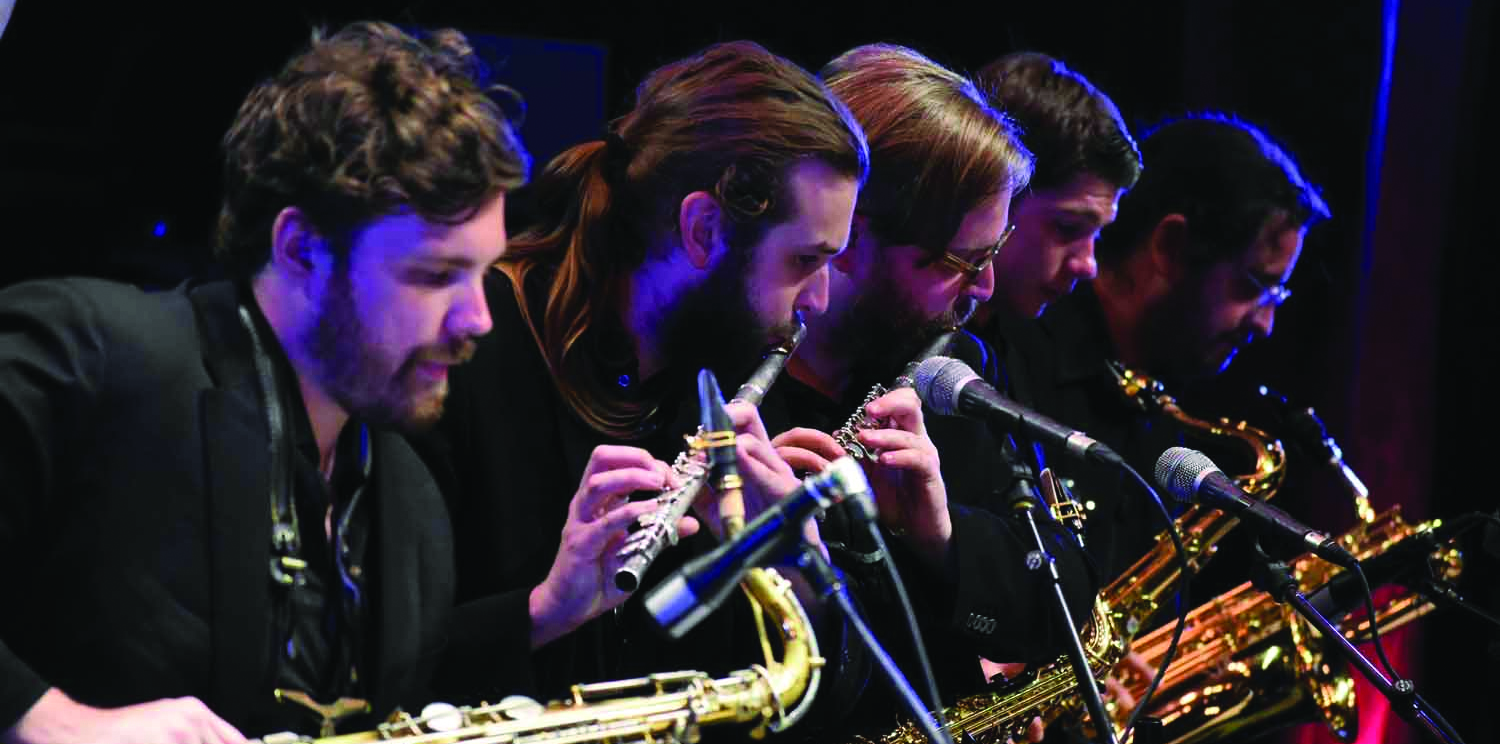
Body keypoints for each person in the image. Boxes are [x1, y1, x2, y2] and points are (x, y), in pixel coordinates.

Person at [0, 21, 532, 743]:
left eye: (483, 273)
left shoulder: (412, 509)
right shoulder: (89, 356)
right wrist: (44, 720)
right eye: (437, 274)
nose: (479, 319)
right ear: (301, 248)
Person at [419, 40, 870, 703]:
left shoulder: (720, 380)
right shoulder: (468, 356)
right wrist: (544, 611)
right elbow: (369, 668)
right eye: (805, 260)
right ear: (704, 228)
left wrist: (797, 563)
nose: (820, 300)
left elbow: (809, 700)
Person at [761, 44, 1097, 741]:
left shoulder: (946, 373)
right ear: (850, 233)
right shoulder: (728, 380)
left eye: (992, 255)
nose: (984, 289)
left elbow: (1055, 596)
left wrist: (940, 537)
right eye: (960, 262)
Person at [1030, 112, 1331, 587]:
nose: (1265, 323)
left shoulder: (1166, 427)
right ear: (1170, 246)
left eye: (1278, 295)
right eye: (1255, 285)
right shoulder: (1014, 362)